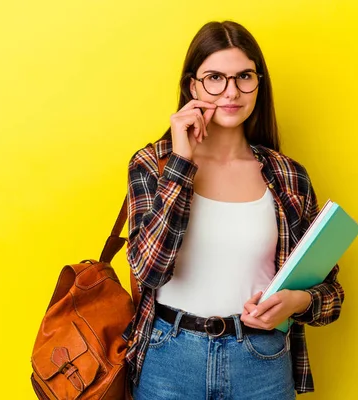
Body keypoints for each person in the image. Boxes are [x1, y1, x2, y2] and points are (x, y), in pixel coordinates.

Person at [124, 20, 344, 399]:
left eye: (244, 76)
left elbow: (332, 294)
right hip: (169, 358)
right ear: (192, 85)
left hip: (261, 360)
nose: (231, 91)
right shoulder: (154, 164)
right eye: (215, 78)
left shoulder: (288, 176)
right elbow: (149, 269)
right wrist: (181, 162)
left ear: (259, 82)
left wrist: (297, 301)